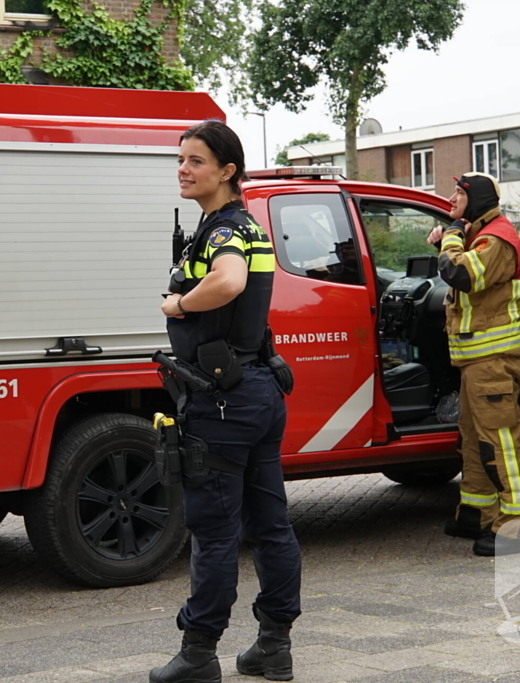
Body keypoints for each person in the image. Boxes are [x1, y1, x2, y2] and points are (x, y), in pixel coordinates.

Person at [149, 120, 302, 683]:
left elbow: (230, 282)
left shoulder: (224, 232)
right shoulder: (245, 225)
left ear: (227, 170)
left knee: (214, 531)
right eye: (180, 159)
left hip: (222, 402)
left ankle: (197, 655)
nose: (184, 169)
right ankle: (273, 646)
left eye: (196, 160)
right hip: (258, 390)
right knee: (270, 525)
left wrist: (180, 305)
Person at [426, 172, 520, 557]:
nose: (451, 197)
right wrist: (451, 239)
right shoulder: (481, 236)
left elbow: (461, 274)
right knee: (473, 440)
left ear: (476, 200)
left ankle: (519, 528)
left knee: (501, 444)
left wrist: (451, 236)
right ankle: (476, 512)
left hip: (493, 361)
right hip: (476, 361)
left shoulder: (497, 239)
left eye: (459, 192)